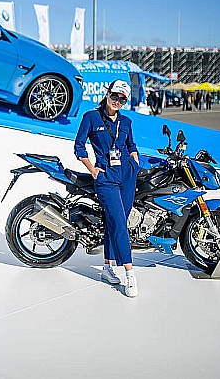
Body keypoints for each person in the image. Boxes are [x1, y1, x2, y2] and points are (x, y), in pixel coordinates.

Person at [74, 80, 140, 297]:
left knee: (116, 222)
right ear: (107, 94)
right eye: (114, 96)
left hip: (127, 176)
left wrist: (134, 161)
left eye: (122, 99)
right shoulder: (91, 117)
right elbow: (79, 145)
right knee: (120, 223)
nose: (117, 101)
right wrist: (92, 169)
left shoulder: (126, 121)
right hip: (106, 178)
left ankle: (107, 267)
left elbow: (131, 144)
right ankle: (130, 274)